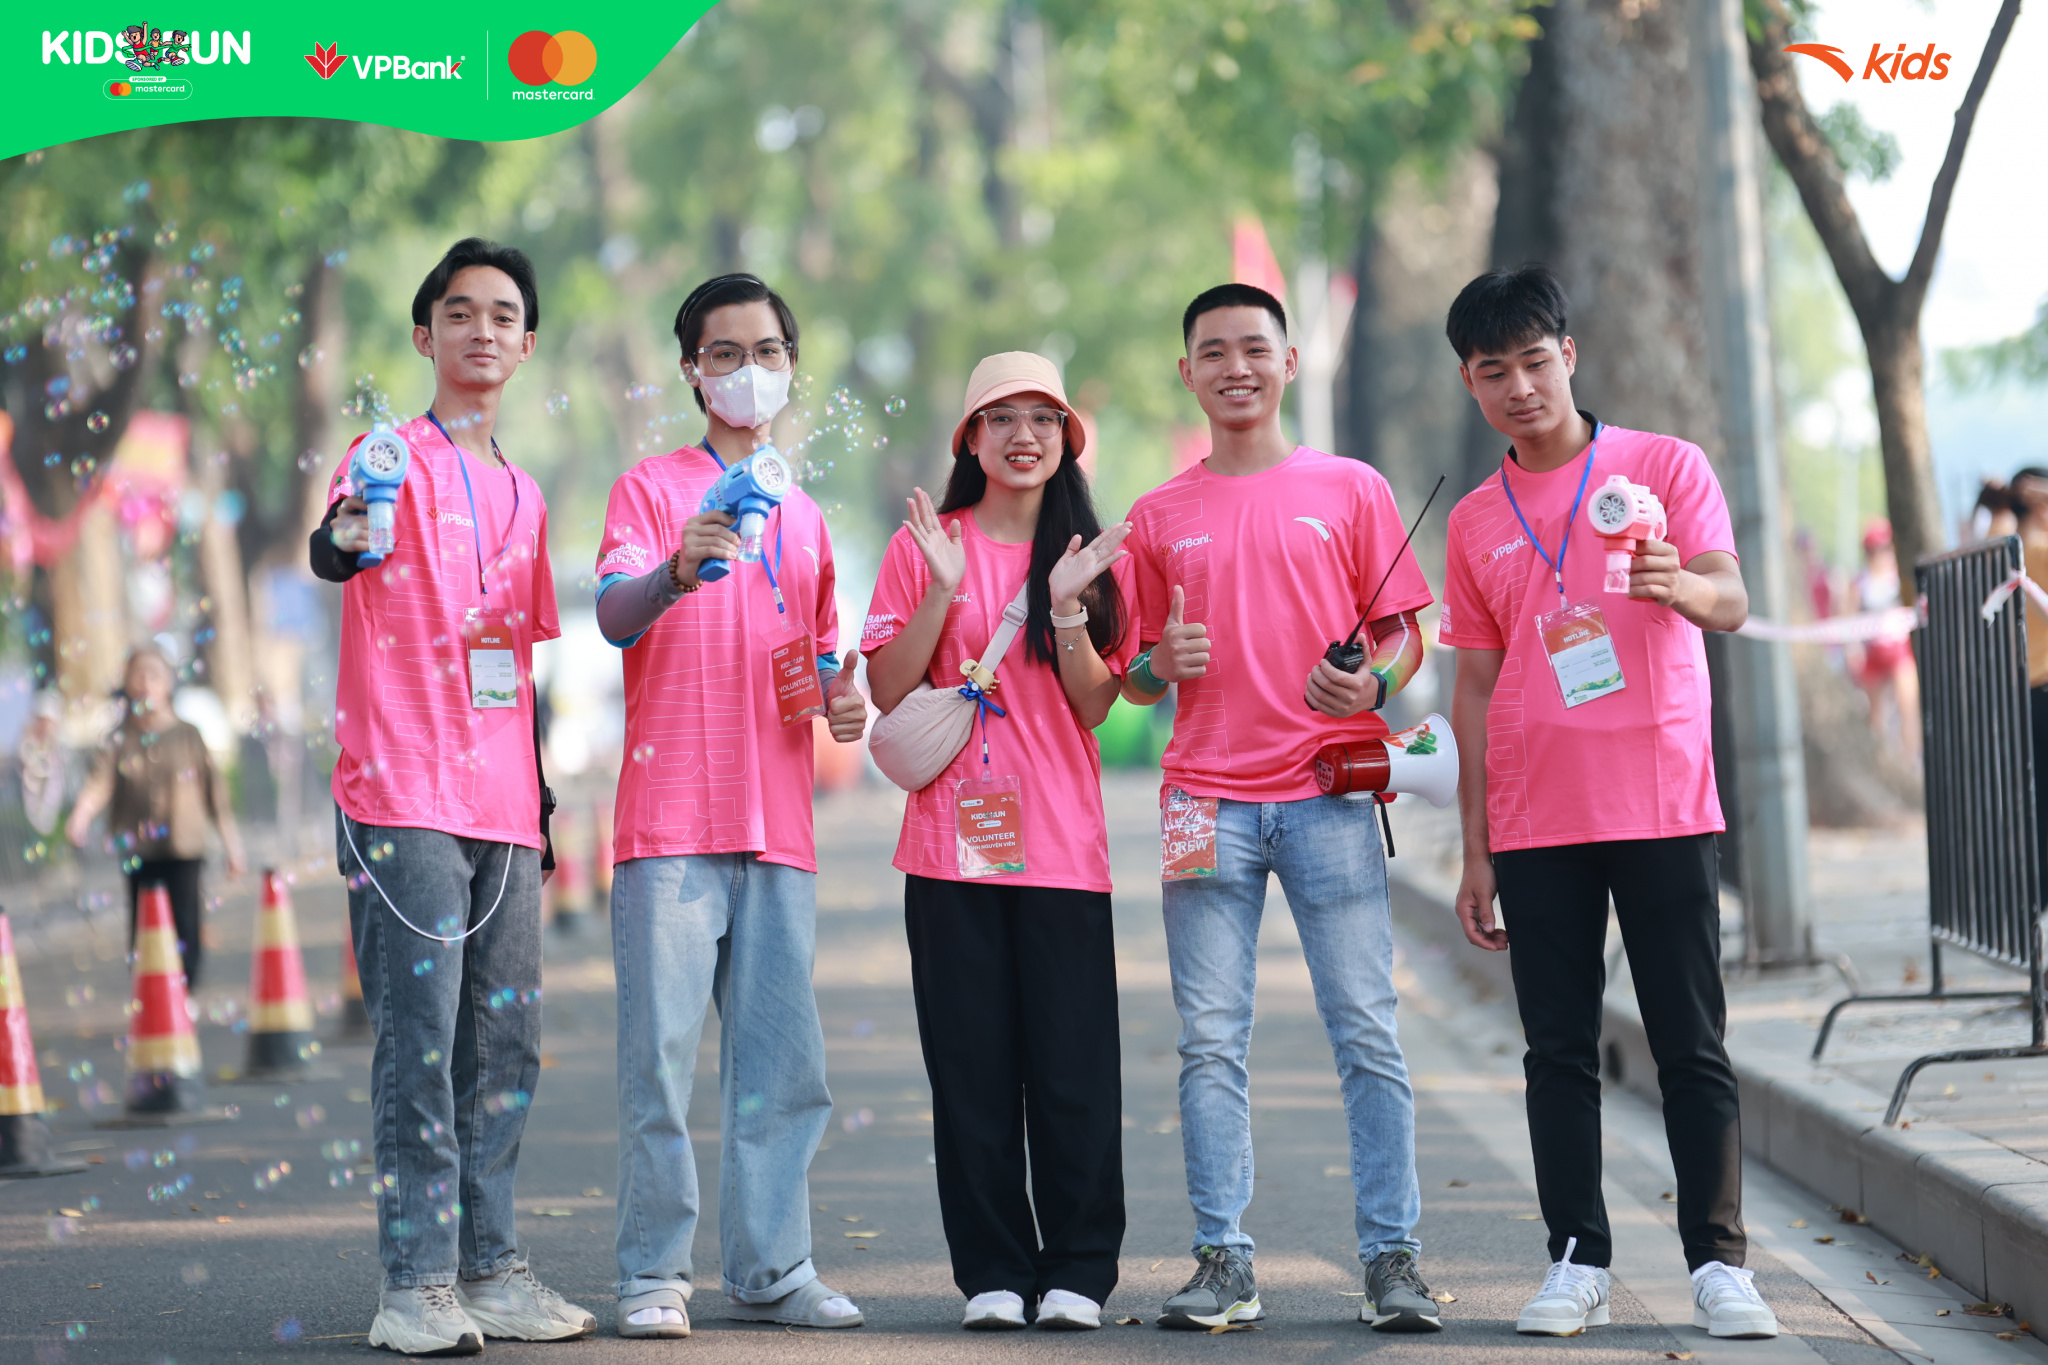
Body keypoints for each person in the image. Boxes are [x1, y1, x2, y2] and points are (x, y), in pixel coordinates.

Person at [1438, 265, 1777, 1339]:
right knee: (1557, 1049)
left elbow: (1730, 597)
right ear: (1470, 382)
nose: (1520, 388)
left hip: (1663, 800)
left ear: (1568, 357)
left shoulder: (1661, 466)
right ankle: (1575, 1258)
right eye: (1494, 371)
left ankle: (1719, 1265)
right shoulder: (1475, 520)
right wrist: (1475, 847)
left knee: (1689, 1043)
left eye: (1535, 362)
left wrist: (1681, 585)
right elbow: (1474, 684)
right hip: (1538, 817)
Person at [1120, 284, 1440, 1334]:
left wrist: (1374, 685)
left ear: (1289, 363)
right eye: (1212, 352)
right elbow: (1131, 678)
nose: (1235, 368)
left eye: (1253, 348)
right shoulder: (1156, 516)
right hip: (1202, 801)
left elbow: (1407, 634)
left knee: (1366, 1030)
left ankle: (1391, 1258)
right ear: (1187, 374)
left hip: (1328, 797)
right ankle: (1223, 1260)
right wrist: (1156, 664)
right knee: (1209, 1042)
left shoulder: (1350, 489)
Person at [310, 237, 594, 1356]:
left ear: (527, 345)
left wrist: (540, 805)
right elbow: (338, 551)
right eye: (461, 312)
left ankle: (492, 1270)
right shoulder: (387, 454)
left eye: (504, 315)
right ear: (426, 335)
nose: (483, 330)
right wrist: (351, 525)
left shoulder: (525, 492)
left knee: (506, 1049)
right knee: (421, 1047)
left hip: (502, 810)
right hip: (401, 795)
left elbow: (513, 665)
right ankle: (414, 1284)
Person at [593, 273, 868, 1338]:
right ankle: (653, 1273)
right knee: (657, 1066)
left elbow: (823, 656)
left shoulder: (807, 515)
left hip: (778, 827)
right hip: (669, 822)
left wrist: (842, 698)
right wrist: (676, 566)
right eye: (724, 353)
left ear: (790, 366)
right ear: (690, 370)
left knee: (783, 1072)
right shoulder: (648, 490)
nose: (747, 370)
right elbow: (614, 614)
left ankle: (773, 1268)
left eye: (766, 352)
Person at [862, 351, 1134, 1332]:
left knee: (1071, 1070)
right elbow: (886, 690)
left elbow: (1094, 705)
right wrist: (940, 592)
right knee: (969, 1071)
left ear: (1067, 438)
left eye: (1043, 419)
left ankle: (1077, 1269)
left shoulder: (1089, 554)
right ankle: (991, 1271)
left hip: (1061, 848)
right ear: (969, 439)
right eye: (1002, 417)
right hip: (949, 852)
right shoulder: (925, 545)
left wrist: (1064, 609)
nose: (1024, 435)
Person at [65, 644, 245, 988]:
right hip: (140, 850)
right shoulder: (119, 738)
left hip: (184, 849)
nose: (146, 683)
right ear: (127, 682)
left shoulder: (188, 734)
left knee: (186, 923)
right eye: (139, 674)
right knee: (144, 928)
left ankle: (185, 992)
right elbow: (99, 782)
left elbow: (215, 796)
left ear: (168, 683)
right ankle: (150, 995)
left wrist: (232, 847)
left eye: (154, 675)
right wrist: (81, 816)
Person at [1850, 520, 1919, 762]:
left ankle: (1909, 758)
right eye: (1874, 550)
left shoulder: (1900, 576)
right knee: (1876, 716)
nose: (1880, 554)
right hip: (1874, 653)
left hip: (1900, 651)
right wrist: (1853, 652)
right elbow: (1849, 620)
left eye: (1884, 548)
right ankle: (1881, 761)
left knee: (1908, 708)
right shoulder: (1860, 583)